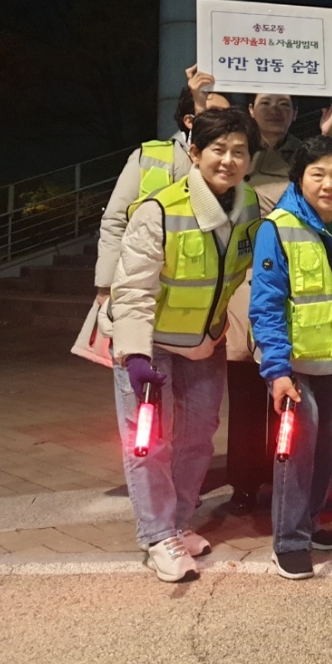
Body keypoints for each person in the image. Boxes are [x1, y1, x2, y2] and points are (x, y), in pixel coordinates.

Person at [108, 108, 261, 582]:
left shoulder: (252, 208)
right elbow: (131, 288)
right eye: (218, 149)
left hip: (204, 344)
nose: (228, 159)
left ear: (250, 159)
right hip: (149, 347)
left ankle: (176, 523)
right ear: (195, 153)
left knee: (197, 438)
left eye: (239, 151)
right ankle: (157, 536)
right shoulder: (158, 210)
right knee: (150, 443)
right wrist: (133, 354)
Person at [249, 135, 332, 580]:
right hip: (294, 365)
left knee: (330, 445)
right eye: (318, 174)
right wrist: (277, 370)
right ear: (299, 178)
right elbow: (265, 305)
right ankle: (290, 540)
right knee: (297, 450)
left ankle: (310, 519)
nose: (329, 184)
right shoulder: (277, 228)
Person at [224, 91, 332, 515]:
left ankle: (283, 482)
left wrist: (326, 136)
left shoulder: (303, 156)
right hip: (244, 282)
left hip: (299, 283)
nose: (276, 110)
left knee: (289, 393)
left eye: (285, 104)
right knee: (245, 392)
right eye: (266, 102)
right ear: (250, 111)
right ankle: (243, 480)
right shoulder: (237, 152)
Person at [94, 66, 229, 308]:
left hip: (203, 292)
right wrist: (106, 285)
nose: (224, 124)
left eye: (228, 117)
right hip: (143, 287)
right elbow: (115, 221)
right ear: (189, 121)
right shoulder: (148, 156)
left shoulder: (232, 166)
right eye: (215, 115)